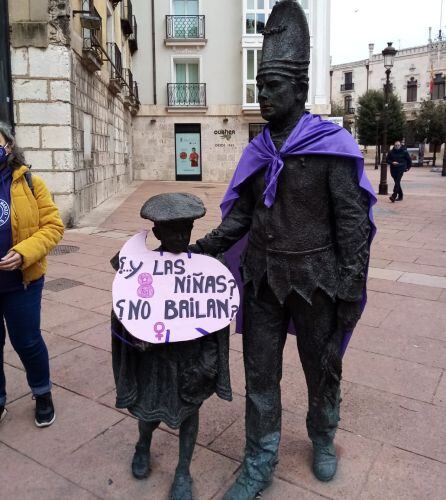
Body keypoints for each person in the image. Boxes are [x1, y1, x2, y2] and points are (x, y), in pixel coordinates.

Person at [189, 2, 375, 499]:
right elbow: (243, 217)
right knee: (260, 375)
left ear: (297, 88)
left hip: (318, 282)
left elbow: (353, 225)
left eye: (272, 86)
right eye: (259, 86)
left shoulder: (329, 146)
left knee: (322, 367)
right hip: (261, 281)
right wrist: (201, 248)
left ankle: (322, 436)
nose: (263, 94)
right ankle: (259, 458)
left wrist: (351, 286)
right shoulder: (258, 149)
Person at [110, 193, 231, 500]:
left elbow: (216, 313)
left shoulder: (205, 268)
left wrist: (211, 359)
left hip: (190, 358)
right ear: (158, 232)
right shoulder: (140, 268)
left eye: (186, 229)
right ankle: (143, 444)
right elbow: (124, 311)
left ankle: (182, 472)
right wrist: (137, 337)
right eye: (173, 230)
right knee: (148, 413)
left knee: (190, 413)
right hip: (155, 358)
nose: (180, 236)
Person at [0, 122, 64, 427]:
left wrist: (24, 252)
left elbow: (53, 227)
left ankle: (42, 393)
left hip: (21, 282)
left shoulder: (30, 183)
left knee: (26, 341)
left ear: (9, 146)